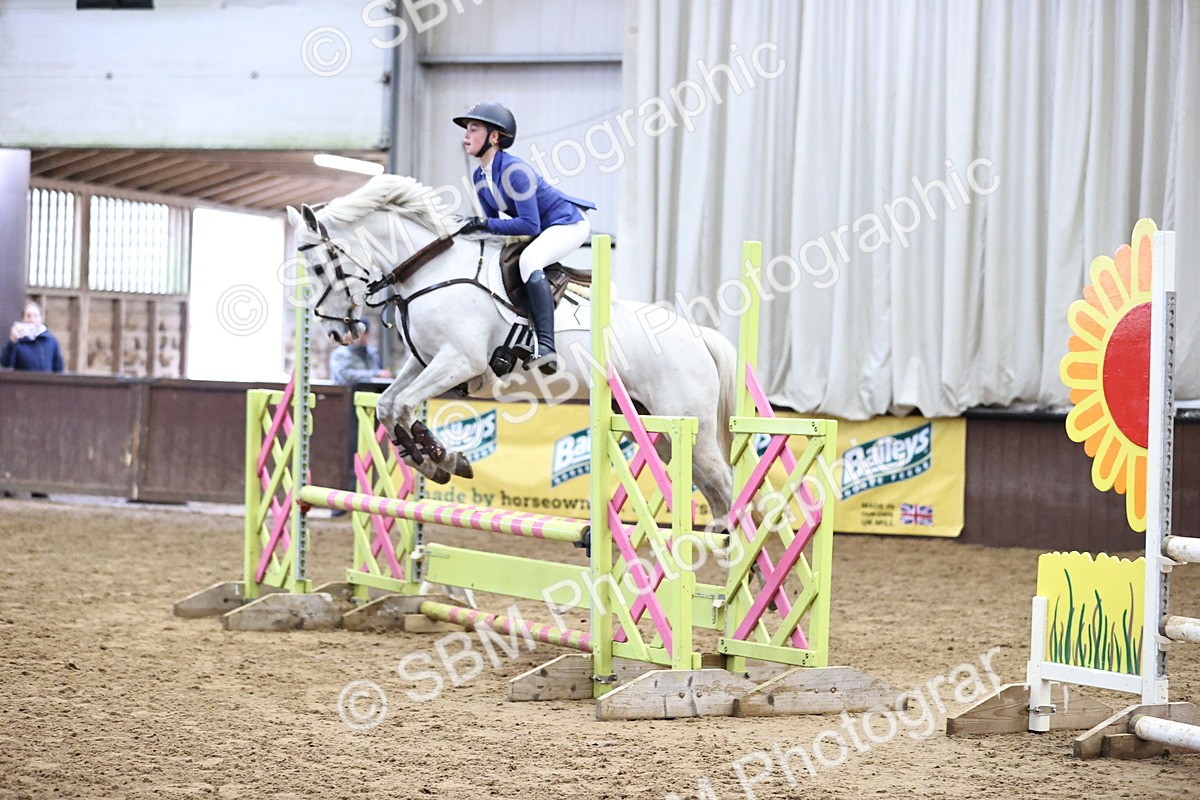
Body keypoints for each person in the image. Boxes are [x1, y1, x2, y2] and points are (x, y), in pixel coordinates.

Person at [453, 101, 595, 374]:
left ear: (494, 137)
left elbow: (529, 225)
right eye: (466, 130)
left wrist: (482, 224)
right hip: (543, 226)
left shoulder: (515, 172)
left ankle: (546, 347)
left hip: (568, 224)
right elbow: (492, 226)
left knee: (530, 260)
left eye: (473, 129)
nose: (466, 136)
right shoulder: (480, 176)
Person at [2, 301, 64, 373]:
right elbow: (5, 364)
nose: (32, 320)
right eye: (28, 316)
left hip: (45, 383)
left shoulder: (51, 340)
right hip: (23, 382)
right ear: (23, 319)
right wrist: (12, 341)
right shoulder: (17, 341)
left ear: (41, 319)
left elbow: (58, 368)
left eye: (35, 316)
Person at [329, 318, 391, 385]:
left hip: (371, 392)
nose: (358, 337)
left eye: (363, 333)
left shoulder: (372, 353)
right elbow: (344, 376)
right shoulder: (340, 354)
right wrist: (377, 374)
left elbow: (379, 375)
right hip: (347, 393)